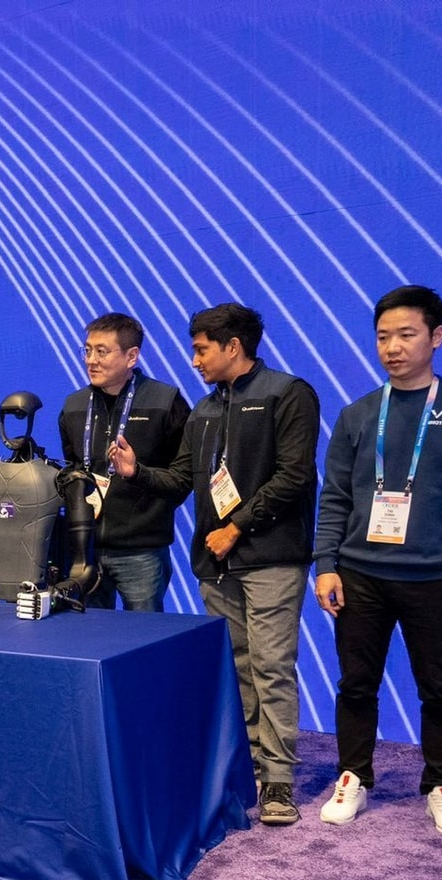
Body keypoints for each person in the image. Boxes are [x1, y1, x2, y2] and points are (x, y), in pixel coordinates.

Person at [112, 303, 318, 825]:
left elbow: (294, 476)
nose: (194, 359)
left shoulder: (288, 393)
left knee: (271, 667)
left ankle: (279, 779)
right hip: (216, 563)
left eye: (202, 349)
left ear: (233, 346)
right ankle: (247, 766)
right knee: (237, 668)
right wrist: (137, 472)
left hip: (270, 558)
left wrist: (237, 527)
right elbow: (182, 479)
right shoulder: (204, 409)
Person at [310, 286, 442, 835]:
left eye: (406, 335)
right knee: (356, 684)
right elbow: (335, 497)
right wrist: (325, 564)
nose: (392, 348)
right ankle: (354, 775)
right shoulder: (357, 414)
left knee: (440, 687)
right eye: (382, 337)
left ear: (436, 337)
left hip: (437, 576)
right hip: (359, 574)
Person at [55, 312, 190, 611]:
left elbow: (182, 479)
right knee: (90, 631)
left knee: (145, 634)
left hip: (141, 551)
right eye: (87, 350)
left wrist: (139, 479)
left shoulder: (165, 401)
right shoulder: (74, 406)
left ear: (131, 356)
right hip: (85, 547)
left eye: (102, 352)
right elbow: (74, 467)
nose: (91, 360)